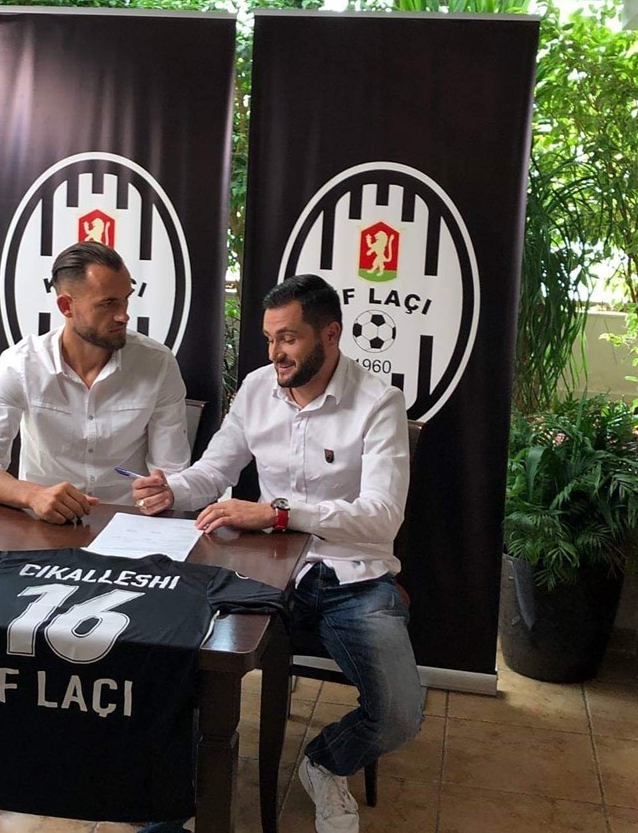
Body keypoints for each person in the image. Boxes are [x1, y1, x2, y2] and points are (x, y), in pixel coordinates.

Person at [132, 273, 424, 833]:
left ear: (330, 334)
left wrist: (278, 513)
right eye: (269, 339)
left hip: (353, 576)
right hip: (263, 572)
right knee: (179, 664)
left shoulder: (378, 403)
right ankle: (178, 803)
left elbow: (383, 516)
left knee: (399, 714)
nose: (275, 354)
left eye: (288, 338)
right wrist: (173, 488)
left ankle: (325, 762)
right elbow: (215, 471)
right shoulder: (257, 388)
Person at [0, 241, 190, 523]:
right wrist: (34, 495)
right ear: (66, 306)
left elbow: (172, 471)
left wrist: (164, 492)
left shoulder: (157, 363)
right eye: (107, 303)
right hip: (43, 524)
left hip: (129, 523)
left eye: (126, 299)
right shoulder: (21, 364)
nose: (123, 315)